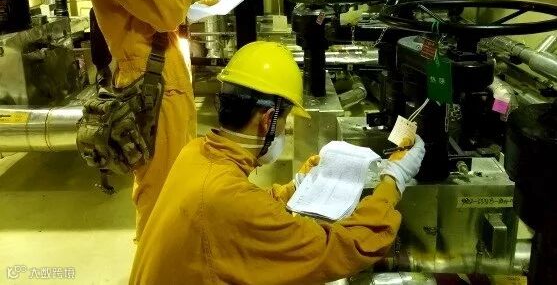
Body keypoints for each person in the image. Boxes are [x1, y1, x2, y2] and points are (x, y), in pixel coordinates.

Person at [130, 41, 426, 284]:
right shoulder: (227, 200)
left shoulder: (194, 153)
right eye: (285, 121)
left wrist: (294, 187)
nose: (284, 129)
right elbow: (341, 248)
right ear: (268, 121)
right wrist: (393, 178)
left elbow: (242, 210)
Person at [87, 0, 196, 241]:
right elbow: (168, 12)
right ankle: (152, 264)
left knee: (176, 182)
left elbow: (157, 7)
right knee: (160, 191)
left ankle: (169, 259)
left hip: (161, 76)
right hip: (150, 83)